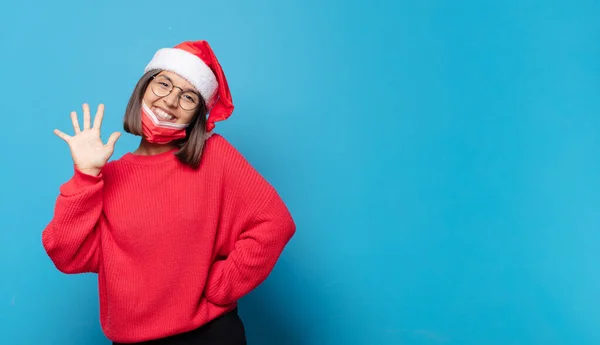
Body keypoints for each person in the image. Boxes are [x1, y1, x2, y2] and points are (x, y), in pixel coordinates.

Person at [41, 40, 296, 345]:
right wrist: (85, 176)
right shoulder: (108, 178)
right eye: (163, 84)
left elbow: (275, 223)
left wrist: (221, 286)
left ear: (197, 114)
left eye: (188, 96)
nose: (171, 101)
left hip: (210, 336)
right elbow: (66, 255)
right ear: (144, 87)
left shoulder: (215, 156)